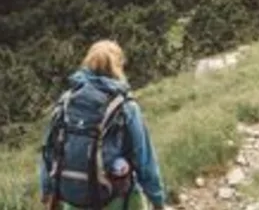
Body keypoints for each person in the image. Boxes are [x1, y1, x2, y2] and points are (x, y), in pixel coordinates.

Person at [40, 40, 170, 209]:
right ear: (119, 66)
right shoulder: (125, 106)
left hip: (73, 199)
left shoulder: (66, 102)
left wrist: (47, 191)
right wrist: (157, 199)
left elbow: (48, 151)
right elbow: (144, 159)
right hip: (115, 197)